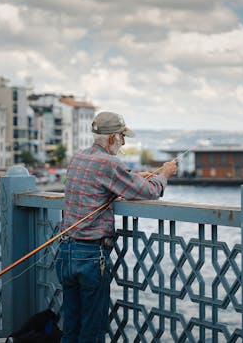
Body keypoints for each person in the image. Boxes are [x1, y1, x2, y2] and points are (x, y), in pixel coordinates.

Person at [55, 111, 177, 343]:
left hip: (65, 252)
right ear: (112, 138)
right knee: (92, 330)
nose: (123, 143)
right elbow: (150, 192)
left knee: (71, 329)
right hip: (90, 258)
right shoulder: (109, 163)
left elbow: (107, 180)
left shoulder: (78, 157)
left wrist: (135, 176)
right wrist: (164, 174)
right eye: (122, 137)